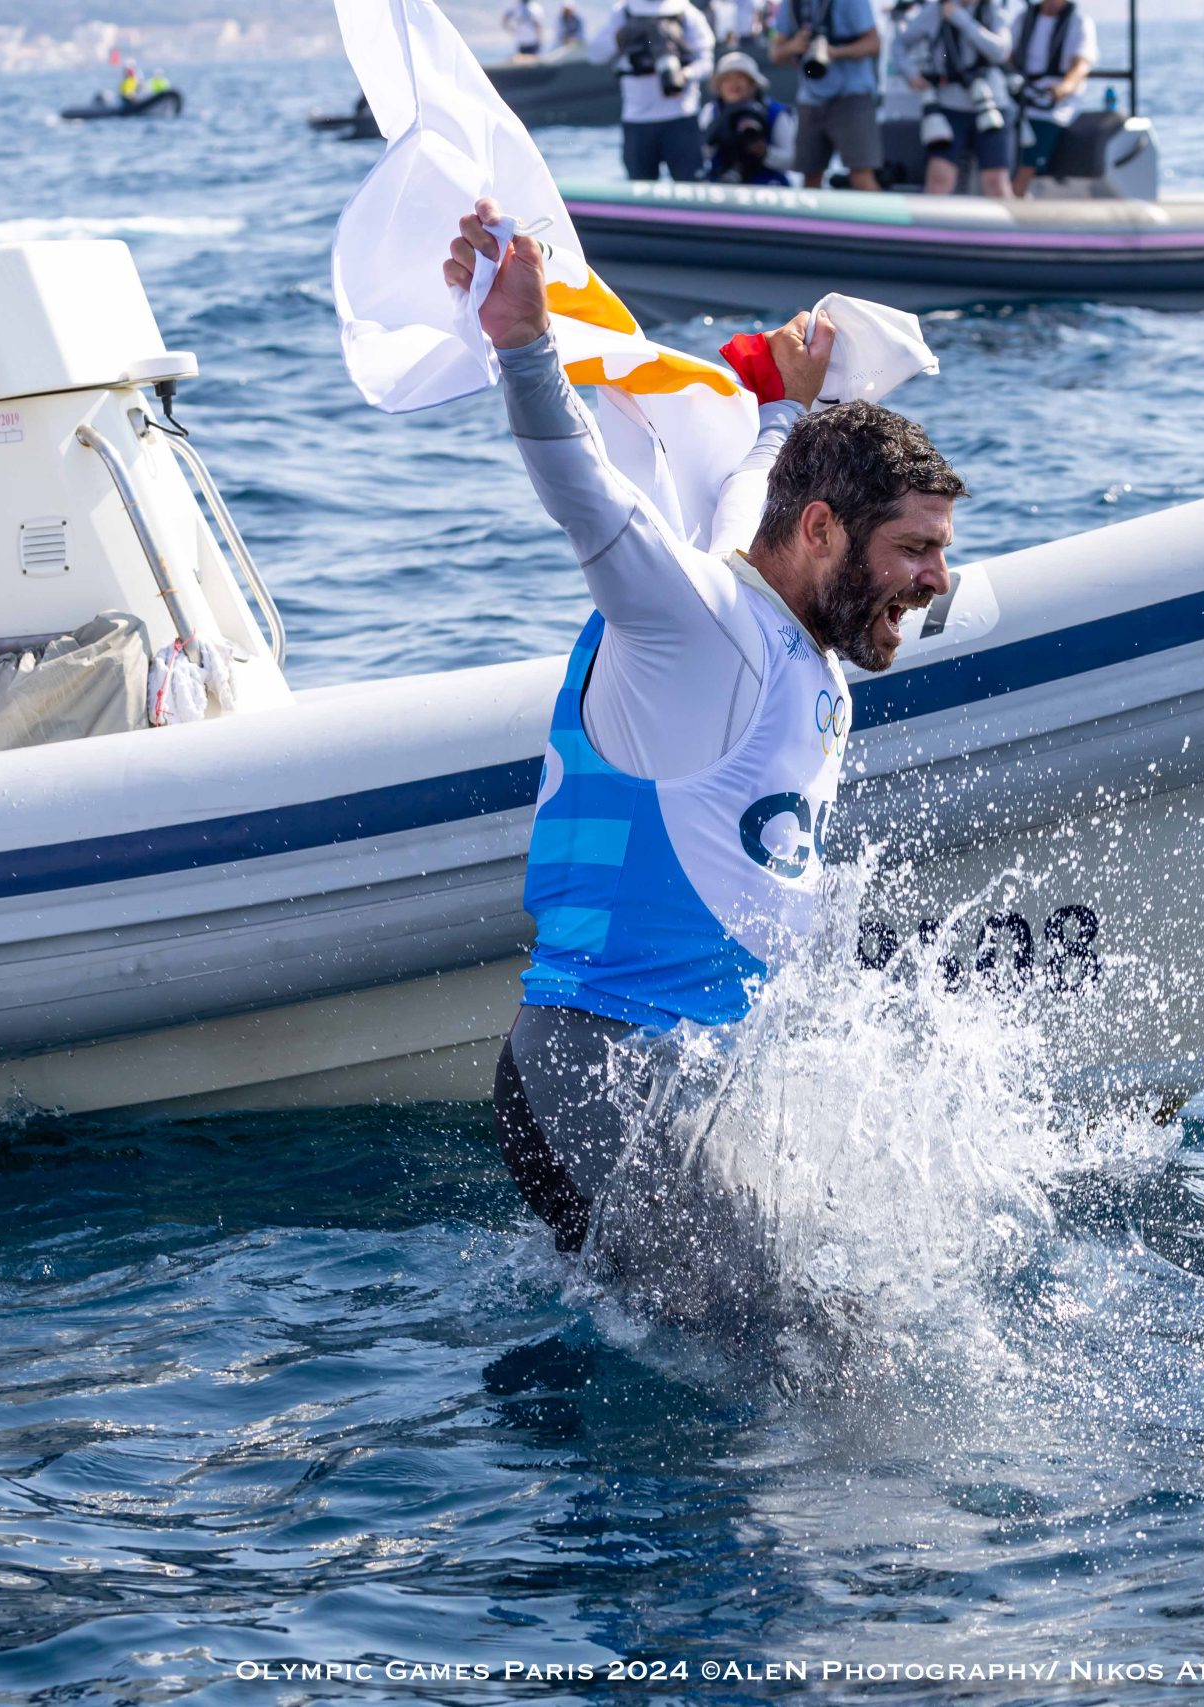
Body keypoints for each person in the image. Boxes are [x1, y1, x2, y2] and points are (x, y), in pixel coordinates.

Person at [439, 197, 965, 1255]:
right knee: (801, 1370)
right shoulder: (697, 624)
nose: (936, 579)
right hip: (592, 1078)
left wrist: (779, 400)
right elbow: (583, 493)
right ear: (823, 531)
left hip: (661, 1080)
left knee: (809, 1345)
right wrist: (525, 344)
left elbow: (748, 485)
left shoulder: (768, 615)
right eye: (914, 548)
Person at [772, 0, 885, 190]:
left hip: (852, 96)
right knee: (810, 178)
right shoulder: (790, 4)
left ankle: (883, 221)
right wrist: (794, 46)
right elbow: (775, 54)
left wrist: (835, 52)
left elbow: (874, 44)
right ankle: (810, 222)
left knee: (861, 177)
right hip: (810, 98)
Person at [597, 0, 714, 180]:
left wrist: (685, 74)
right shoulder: (622, 12)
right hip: (637, 120)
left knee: (691, 184)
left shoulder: (686, 12)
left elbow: (706, 62)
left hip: (681, 117)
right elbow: (596, 53)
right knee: (639, 189)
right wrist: (619, 37)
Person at [910, 0, 1014, 196]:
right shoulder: (935, 11)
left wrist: (960, 18)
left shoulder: (994, 11)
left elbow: (1000, 52)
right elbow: (900, 44)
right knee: (939, 179)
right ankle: (930, 227)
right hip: (949, 108)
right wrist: (911, 74)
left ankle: (1006, 228)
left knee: (996, 182)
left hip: (992, 105)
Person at [1007, 0, 1095, 195]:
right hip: (1020, 97)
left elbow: (1081, 66)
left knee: (1032, 144)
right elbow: (1008, 57)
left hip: (1054, 105)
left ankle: (1016, 195)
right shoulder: (1024, 19)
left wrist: (1064, 88)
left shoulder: (1078, 21)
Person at [702, 51, 788, 183]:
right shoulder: (710, 112)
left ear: (754, 84)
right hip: (721, 184)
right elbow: (700, 155)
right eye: (727, 79)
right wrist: (716, 131)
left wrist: (764, 153)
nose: (734, 84)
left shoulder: (776, 113)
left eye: (741, 77)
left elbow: (791, 160)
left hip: (767, 186)